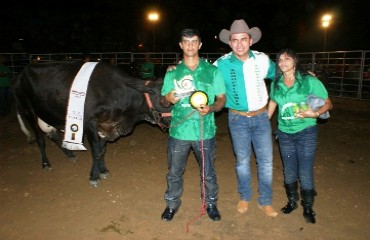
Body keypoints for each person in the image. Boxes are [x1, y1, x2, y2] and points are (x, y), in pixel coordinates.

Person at [213, 19, 278, 217]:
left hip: (261, 118)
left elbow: (282, 76)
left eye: (243, 39)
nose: (239, 43)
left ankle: (265, 201)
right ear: (230, 43)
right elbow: (202, 76)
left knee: (266, 162)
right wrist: (177, 68)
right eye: (235, 40)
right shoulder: (221, 64)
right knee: (242, 161)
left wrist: (271, 109)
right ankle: (245, 197)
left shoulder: (262, 60)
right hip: (237, 119)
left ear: (250, 41)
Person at [160, 28, 226, 221]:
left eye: (194, 41)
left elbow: (221, 99)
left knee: (208, 172)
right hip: (179, 131)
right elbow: (163, 102)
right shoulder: (173, 72)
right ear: (181, 45)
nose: (190, 45)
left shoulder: (212, 71)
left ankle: (211, 203)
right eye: (186, 42)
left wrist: (212, 108)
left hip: (205, 130)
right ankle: (171, 204)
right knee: (174, 172)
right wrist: (168, 98)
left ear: (200, 45)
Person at [267, 49, 333, 224]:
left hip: (306, 132)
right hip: (284, 132)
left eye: (287, 58)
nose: (283, 62)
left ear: (295, 61)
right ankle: (292, 201)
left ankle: (308, 206)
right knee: (289, 170)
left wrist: (315, 114)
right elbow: (273, 101)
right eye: (280, 59)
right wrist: (265, 121)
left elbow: (328, 103)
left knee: (304, 169)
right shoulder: (277, 82)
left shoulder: (309, 81)